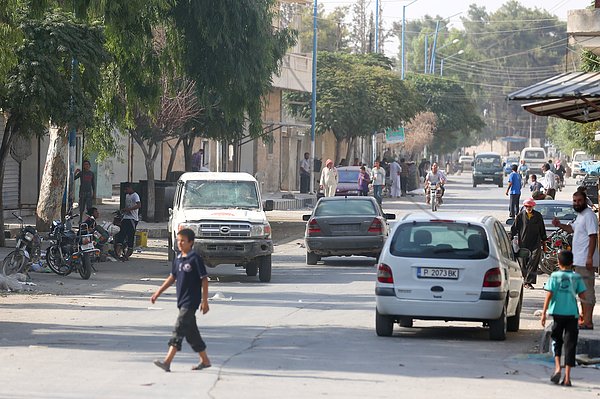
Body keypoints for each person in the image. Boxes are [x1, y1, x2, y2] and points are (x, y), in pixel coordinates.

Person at [151, 228, 211, 372]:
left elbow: (204, 280)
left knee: (178, 329)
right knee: (192, 334)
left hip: (191, 301)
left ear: (191, 242)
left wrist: (205, 301)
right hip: (181, 300)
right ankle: (205, 360)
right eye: (178, 240)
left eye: (183, 241)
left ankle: (167, 362)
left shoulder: (195, 259)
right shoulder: (178, 259)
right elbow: (172, 277)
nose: (180, 243)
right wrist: (158, 292)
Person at [552, 191, 598, 330]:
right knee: (581, 291)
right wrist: (559, 225)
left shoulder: (589, 215)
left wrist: (589, 257)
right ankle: (584, 319)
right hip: (578, 260)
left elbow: (593, 236)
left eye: (579, 200)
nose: (576, 203)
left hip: (585, 261)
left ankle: (588, 321)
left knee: (587, 291)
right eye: (574, 201)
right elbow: (572, 229)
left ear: (585, 200)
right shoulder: (580, 216)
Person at [541, 250, 587, 387]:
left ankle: (557, 368)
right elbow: (583, 297)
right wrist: (583, 313)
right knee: (570, 344)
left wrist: (544, 313)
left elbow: (549, 295)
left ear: (558, 263)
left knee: (557, 341)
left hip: (557, 313)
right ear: (572, 263)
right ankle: (567, 377)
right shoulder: (576, 277)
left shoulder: (554, 276)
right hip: (572, 314)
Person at [511, 198, 547, 289]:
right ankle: (525, 279)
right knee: (523, 262)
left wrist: (544, 241)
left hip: (535, 242)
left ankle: (528, 282)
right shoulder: (520, 216)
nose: (528, 208)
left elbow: (542, 229)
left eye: (530, 206)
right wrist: (509, 239)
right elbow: (514, 229)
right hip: (523, 242)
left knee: (534, 260)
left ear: (533, 206)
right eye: (526, 206)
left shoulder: (538, 216)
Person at [114, 183, 141, 261]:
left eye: (126, 189)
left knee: (130, 236)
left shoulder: (135, 195)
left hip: (132, 219)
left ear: (130, 188)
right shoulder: (127, 196)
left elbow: (139, 205)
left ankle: (128, 253)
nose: (125, 191)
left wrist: (129, 209)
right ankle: (118, 252)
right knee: (121, 234)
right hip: (126, 217)